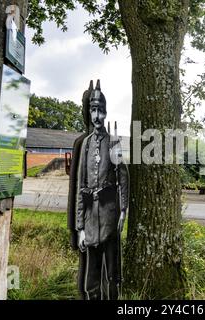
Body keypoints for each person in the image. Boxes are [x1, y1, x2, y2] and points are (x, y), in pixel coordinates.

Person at [72, 80, 129, 300]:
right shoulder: (85, 145)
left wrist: (123, 210)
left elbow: (123, 176)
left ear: (105, 113)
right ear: (89, 112)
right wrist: (80, 229)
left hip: (110, 218)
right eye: (93, 110)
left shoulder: (113, 142)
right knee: (91, 282)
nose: (97, 116)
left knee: (113, 276)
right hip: (90, 222)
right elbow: (80, 187)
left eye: (100, 111)